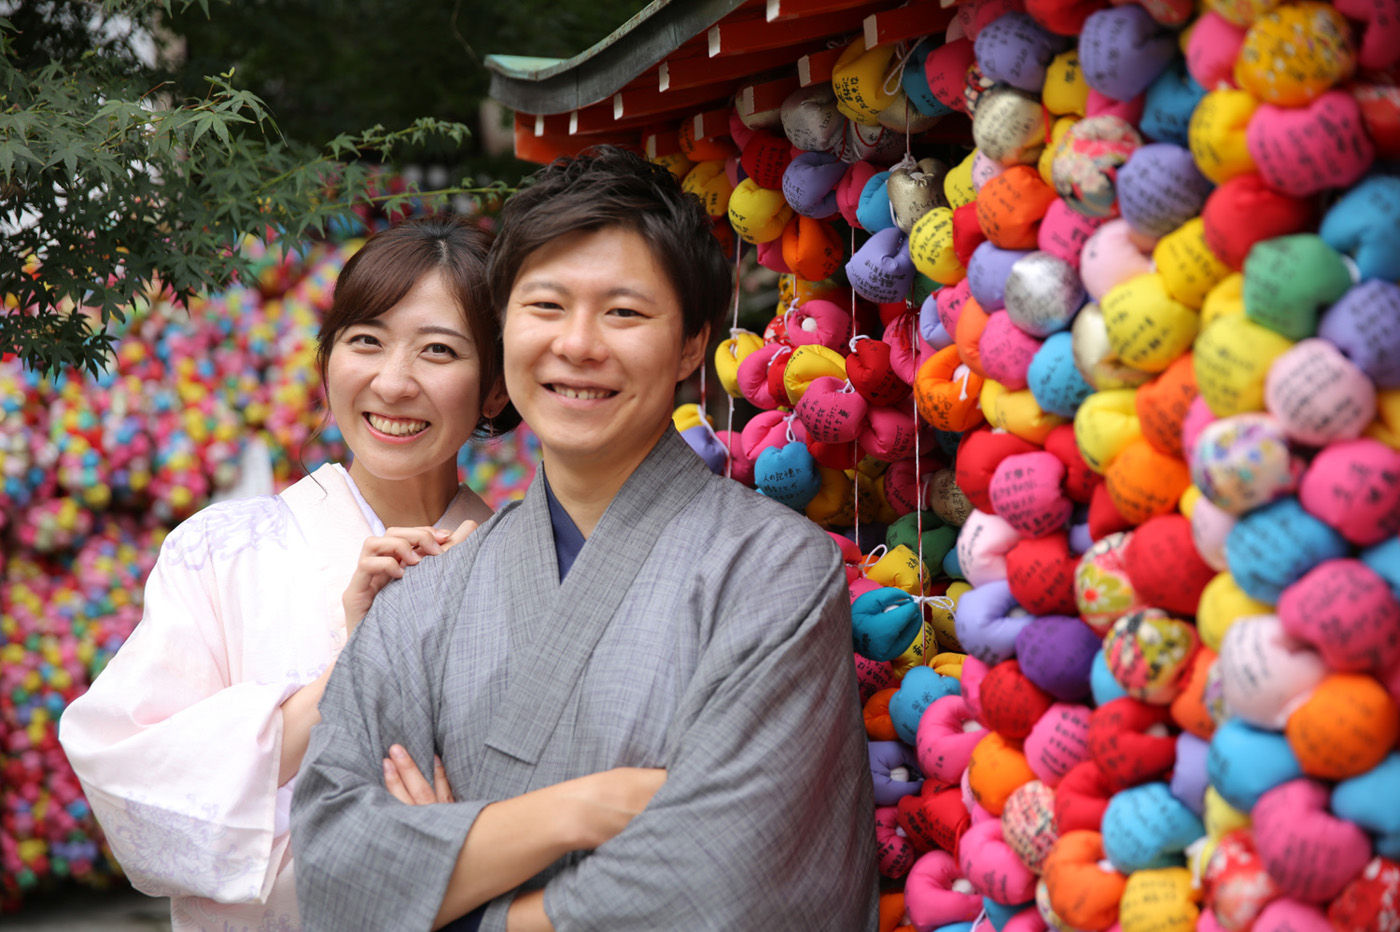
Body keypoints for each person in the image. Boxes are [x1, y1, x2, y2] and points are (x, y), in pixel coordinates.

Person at [291, 147, 879, 932]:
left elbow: (730, 875)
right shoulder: (422, 601)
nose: (578, 344)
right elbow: (336, 871)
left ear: (692, 345)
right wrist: (585, 810)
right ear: (503, 331)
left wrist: (459, 899)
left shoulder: (772, 570)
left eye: (624, 313)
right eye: (545, 306)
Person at [59, 216, 516, 932]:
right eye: (365, 341)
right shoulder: (220, 552)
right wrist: (349, 676)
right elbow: (129, 781)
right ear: (326, 359)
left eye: (438, 351)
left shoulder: (528, 563)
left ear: (495, 389)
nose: (393, 382)